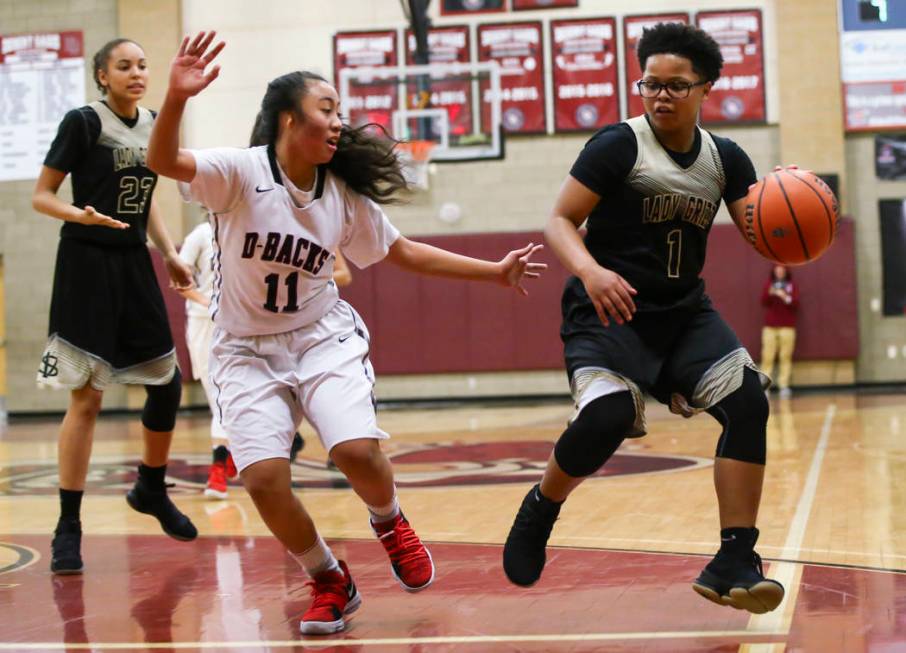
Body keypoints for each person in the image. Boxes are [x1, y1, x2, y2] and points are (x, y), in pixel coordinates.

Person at [147, 31, 545, 635]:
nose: (339, 123)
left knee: (355, 451)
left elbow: (404, 252)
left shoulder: (342, 196)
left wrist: (493, 272)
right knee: (262, 479)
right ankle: (329, 577)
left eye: (340, 112)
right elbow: (161, 161)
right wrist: (175, 99)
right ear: (288, 119)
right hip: (243, 349)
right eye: (326, 110)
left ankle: (388, 520)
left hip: (318, 336)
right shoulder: (238, 172)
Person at [501, 22, 786, 615]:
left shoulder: (725, 159)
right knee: (606, 416)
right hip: (609, 309)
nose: (660, 95)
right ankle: (541, 508)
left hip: (682, 314)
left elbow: (765, 233)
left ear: (705, 88)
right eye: (649, 83)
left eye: (675, 85)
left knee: (748, 402)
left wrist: (795, 224)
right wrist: (590, 270)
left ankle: (736, 555)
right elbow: (558, 220)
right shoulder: (617, 146)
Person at [32, 38, 198, 575]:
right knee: (88, 397)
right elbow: (42, 195)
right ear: (102, 76)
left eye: (142, 65)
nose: (136, 72)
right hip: (85, 262)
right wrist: (78, 215)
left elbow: (146, 203)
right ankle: (68, 526)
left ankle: (150, 486)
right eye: (123, 66)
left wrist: (171, 253)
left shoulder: (154, 123)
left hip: (133, 262)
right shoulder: (83, 122)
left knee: (167, 381)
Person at [178, 219, 352, 498]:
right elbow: (180, 279)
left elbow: (343, 273)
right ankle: (232, 453)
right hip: (205, 321)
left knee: (267, 390)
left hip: (254, 321)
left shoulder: (267, 226)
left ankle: (226, 463)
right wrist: (205, 302)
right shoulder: (200, 235)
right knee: (218, 394)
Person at [760, 265, 799, 399]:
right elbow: (763, 301)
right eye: (777, 269)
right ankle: (765, 387)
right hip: (770, 327)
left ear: (786, 271)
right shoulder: (769, 284)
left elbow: (796, 304)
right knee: (767, 357)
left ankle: (784, 386)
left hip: (787, 327)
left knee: (785, 357)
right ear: (774, 271)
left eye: (782, 269)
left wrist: (785, 296)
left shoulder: (791, 285)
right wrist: (771, 293)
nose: (779, 271)